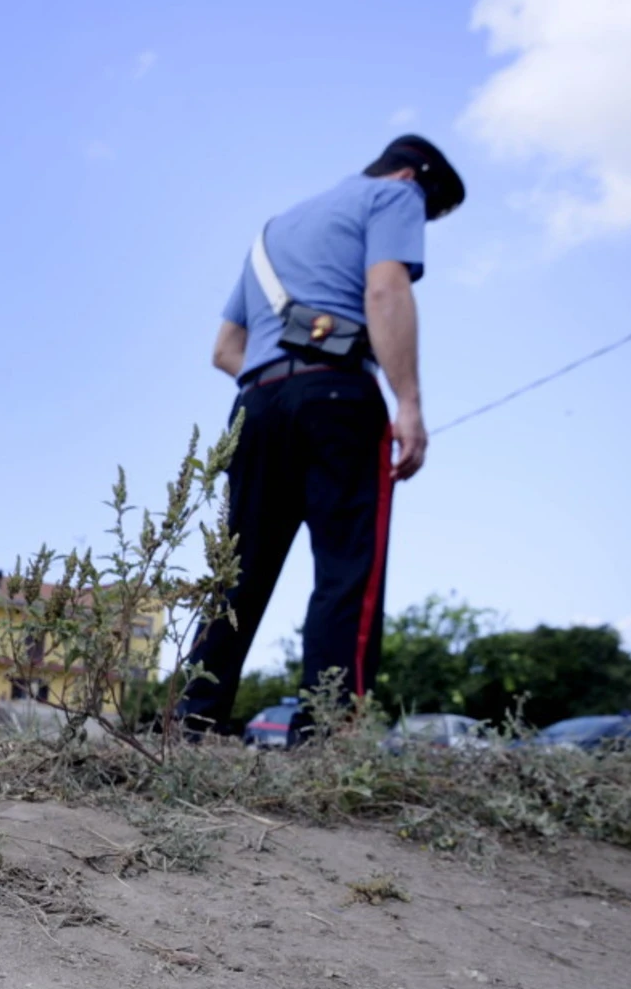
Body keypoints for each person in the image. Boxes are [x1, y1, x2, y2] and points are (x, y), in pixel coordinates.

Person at [179, 134, 465, 739]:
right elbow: (386, 290)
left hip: (254, 404)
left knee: (237, 572)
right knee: (345, 570)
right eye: (432, 215)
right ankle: (326, 734)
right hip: (337, 398)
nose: (423, 224)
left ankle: (190, 721)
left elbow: (224, 351)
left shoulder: (273, 231)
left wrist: (280, 383)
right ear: (414, 178)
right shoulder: (395, 198)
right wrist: (408, 403)